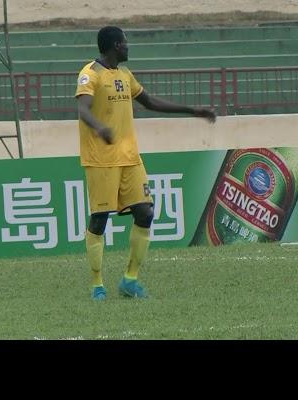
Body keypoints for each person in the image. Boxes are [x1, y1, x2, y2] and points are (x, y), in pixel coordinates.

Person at [75, 26, 216, 300]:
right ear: (115, 45)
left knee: (145, 213)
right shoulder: (90, 74)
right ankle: (97, 285)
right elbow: (82, 108)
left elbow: (149, 101)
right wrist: (100, 128)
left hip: (129, 158)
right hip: (102, 160)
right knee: (99, 219)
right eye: (125, 43)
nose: (128, 47)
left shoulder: (125, 75)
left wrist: (191, 111)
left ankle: (130, 280)